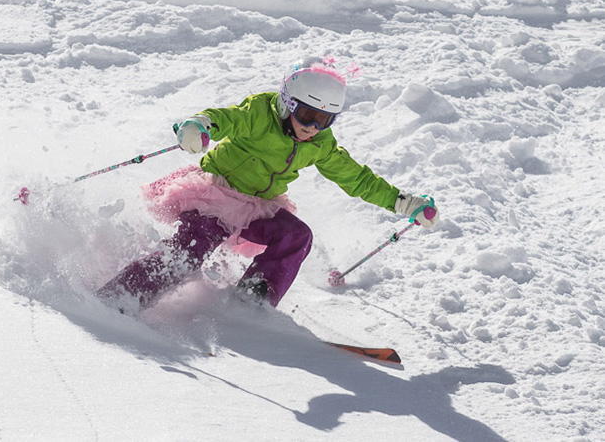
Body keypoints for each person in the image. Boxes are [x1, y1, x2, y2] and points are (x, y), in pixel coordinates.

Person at [96, 57, 439, 309]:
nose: (313, 127)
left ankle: (252, 300)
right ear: (288, 103)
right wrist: (199, 125)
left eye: (325, 120)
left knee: (296, 236)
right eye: (307, 115)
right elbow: (225, 118)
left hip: (259, 205)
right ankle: (123, 295)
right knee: (195, 244)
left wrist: (404, 203)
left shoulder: (320, 143)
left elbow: (356, 177)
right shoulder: (260, 113)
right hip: (215, 191)